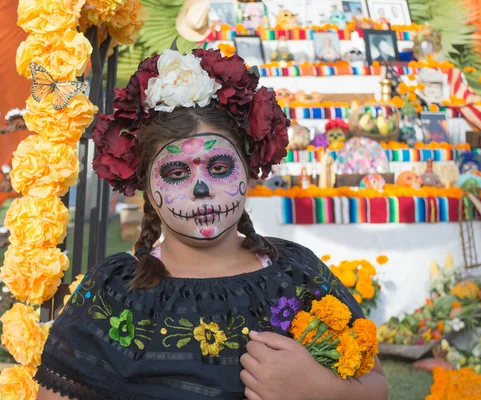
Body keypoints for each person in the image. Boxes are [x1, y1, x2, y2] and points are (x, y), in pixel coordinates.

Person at [35, 48, 389, 400]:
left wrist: (316, 388)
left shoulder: (297, 274)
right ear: (145, 184)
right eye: (176, 173)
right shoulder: (112, 294)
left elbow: (376, 386)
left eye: (219, 169)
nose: (201, 189)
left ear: (249, 170)